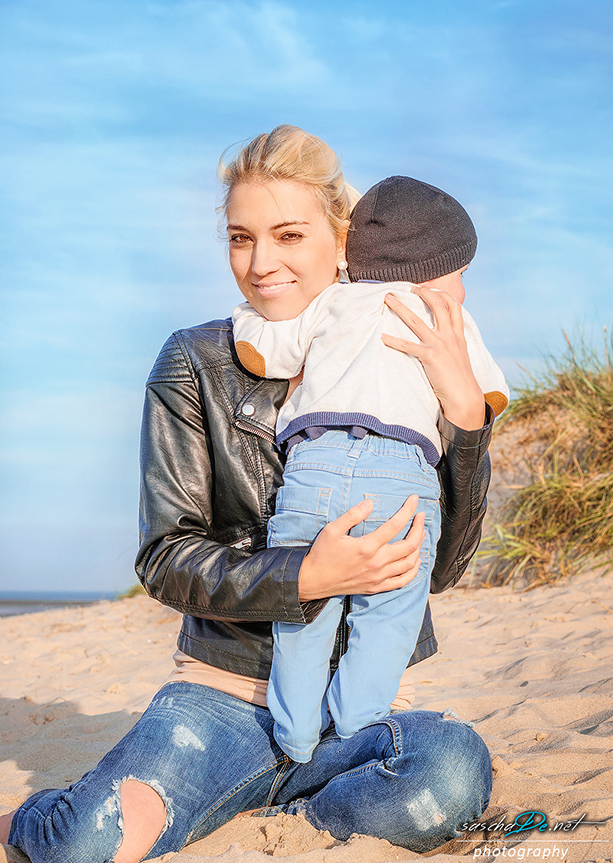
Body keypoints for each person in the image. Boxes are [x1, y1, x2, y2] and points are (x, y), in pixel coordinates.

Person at [1, 126, 495, 863]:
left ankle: (294, 808)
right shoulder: (196, 359)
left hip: (359, 713)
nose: (261, 264)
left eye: (288, 235)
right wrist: (307, 576)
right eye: (240, 238)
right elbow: (167, 556)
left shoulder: (412, 345)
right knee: (83, 846)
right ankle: (30, 814)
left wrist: (464, 421)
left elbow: (443, 567)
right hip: (223, 698)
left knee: (449, 774)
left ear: (340, 239)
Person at [232, 174, 509, 763]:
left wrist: (246, 316)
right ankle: (355, 732)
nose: (463, 285)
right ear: (433, 268)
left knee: (303, 617)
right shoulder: (447, 319)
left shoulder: (331, 301)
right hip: (401, 475)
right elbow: (485, 399)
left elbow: (265, 350)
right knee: (389, 612)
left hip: (315, 466)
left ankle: (296, 738)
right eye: (461, 270)